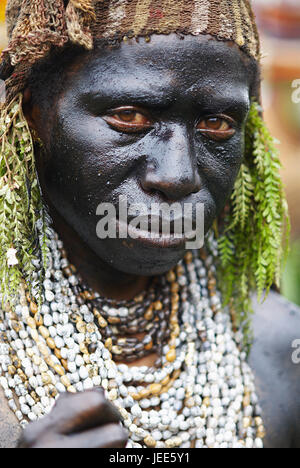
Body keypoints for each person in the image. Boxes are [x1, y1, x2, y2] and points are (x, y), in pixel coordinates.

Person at [0, 0, 299, 449]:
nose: (178, 176)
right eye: (129, 117)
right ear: (30, 115)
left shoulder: (280, 346)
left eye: (215, 123)